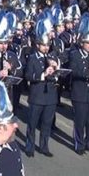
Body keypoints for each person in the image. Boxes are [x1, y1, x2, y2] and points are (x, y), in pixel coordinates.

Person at [24, 17, 63, 157]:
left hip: (50, 96)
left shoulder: (52, 58)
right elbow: (28, 76)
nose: (46, 48)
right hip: (37, 95)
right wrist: (43, 74)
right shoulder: (33, 58)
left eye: (47, 45)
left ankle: (44, 146)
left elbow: (59, 76)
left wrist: (56, 70)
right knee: (32, 123)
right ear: (38, 45)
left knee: (46, 124)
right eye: (43, 45)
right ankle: (29, 146)